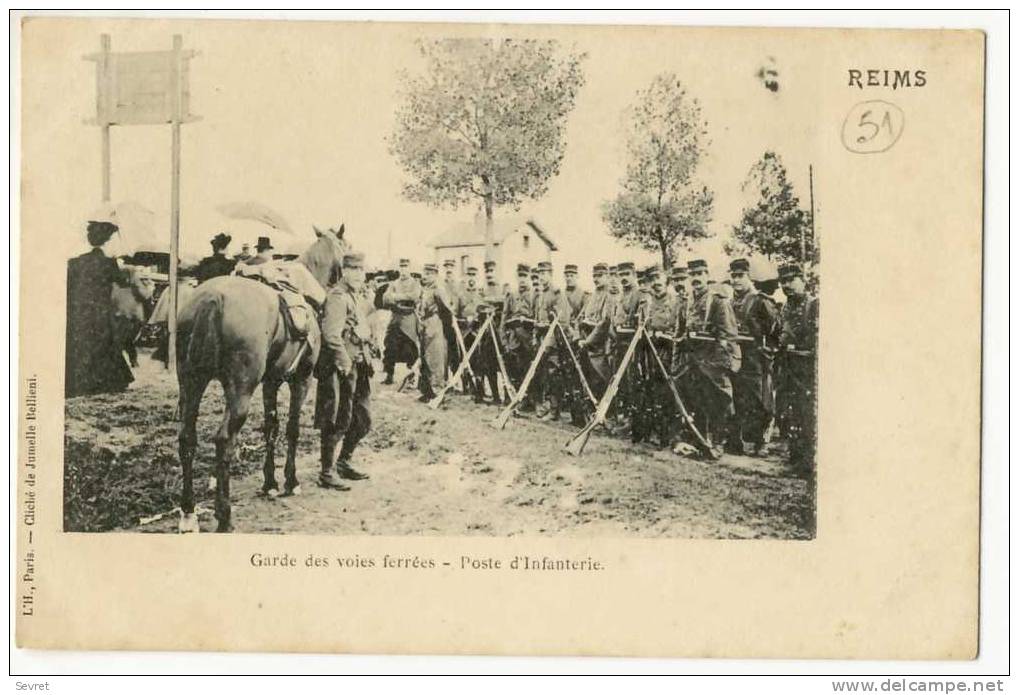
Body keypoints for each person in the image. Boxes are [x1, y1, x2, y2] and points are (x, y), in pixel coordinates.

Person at [315, 252, 374, 489]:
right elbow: (331, 335)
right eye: (354, 270)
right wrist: (344, 362)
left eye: (362, 270)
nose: (359, 275)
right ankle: (327, 472)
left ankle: (344, 462)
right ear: (344, 271)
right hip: (340, 366)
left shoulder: (355, 296)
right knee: (338, 417)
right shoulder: (338, 296)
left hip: (359, 362)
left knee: (363, 419)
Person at [673, 258, 741, 451]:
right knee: (696, 402)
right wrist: (676, 363)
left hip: (713, 363)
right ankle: (700, 439)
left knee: (718, 404)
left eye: (699, 274)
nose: (695, 278)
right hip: (691, 362)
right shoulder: (685, 302)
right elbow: (679, 334)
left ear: (707, 275)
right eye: (692, 275)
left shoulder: (718, 301)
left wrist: (720, 366)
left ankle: (719, 442)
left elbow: (728, 335)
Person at [65, 218, 134, 397]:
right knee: (103, 344)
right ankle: (104, 382)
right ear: (108, 240)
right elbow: (123, 282)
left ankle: (78, 382)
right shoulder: (108, 263)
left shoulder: (75, 262)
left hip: (77, 311)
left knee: (80, 344)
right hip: (100, 311)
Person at [728, 258, 781, 455]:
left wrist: (768, 349)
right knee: (736, 397)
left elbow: (775, 328)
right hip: (734, 356)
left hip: (755, 358)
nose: (736, 280)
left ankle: (761, 443)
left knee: (759, 399)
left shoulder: (760, 300)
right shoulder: (730, 301)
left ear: (749, 277)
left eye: (740, 276)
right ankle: (737, 442)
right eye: (733, 276)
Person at [775, 263, 818, 476]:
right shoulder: (786, 307)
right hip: (789, 369)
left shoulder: (814, 305)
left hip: (807, 370)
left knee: (806, 414)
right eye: (783, 281)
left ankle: (807, 464)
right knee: (790, 414)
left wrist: (800, 350)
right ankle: (795, 458)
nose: (787, 285)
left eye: (791, 280)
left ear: (802, 280)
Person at [532, 260, 572, 421]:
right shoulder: (540, 294)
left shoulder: (557, 293)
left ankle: (555, 410)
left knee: (553, 374)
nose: (541, 277)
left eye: (544, 273)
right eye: (539, 274)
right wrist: (536, 333)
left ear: (550, 274)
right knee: (544, 375)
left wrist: (550, 340)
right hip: (542, 339)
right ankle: (547, 405)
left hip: (554, 341)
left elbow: (563, 320)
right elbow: (537, 317)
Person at [576, 262, 614, 401]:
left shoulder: (610, 296)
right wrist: (579, 338)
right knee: (589, 379)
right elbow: (580, 318)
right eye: (594, 276)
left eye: (600, 275)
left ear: (607, 276)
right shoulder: (591, 296)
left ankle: (608, 412)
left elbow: (605, 322)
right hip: (587, 344)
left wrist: (588, 341)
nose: (596, 279)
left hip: (601, 346)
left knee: (603, 378)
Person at [416, 263, 453, 402]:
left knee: (435, 358)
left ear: (435, 275)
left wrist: (444, 327)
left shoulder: (439, 290)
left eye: (429, 273)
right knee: (424, 358)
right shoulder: (424, 289)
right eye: (424, 273)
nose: (425, 276)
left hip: (434, 324)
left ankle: (438, 392)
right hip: (424, 324)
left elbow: (447, 310)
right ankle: (427, 391)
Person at [381, 258, 421, 384]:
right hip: (395, 319)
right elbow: (385, 298)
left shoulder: (415, 283)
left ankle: (412, 376)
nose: (403, 270)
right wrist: (400, 299)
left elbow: (414, 297)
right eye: (401, 267)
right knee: (390, 347)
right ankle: (389, 375)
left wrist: (397, 297)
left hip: (408, 320)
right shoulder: (393, 284)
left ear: (410, 268)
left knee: (410, 349)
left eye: (406, 267)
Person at [501, 263, 536, 402]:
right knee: (513, 369)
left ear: (529, 277)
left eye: (525, 276)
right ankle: (514, 399)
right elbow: (504, 319)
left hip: (528, 339)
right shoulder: (511, 295)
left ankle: (531, 401)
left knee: (530, 371)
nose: (522, 279)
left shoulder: (535, 295)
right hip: (513, 340)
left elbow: (538, 318)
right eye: (520, 276)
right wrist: (503, 340)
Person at [472, 260, 505, 403]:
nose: (489, 274)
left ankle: (505, 396)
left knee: (501, 364)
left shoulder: (503, 288)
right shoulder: (482, 290)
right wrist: (489, 305)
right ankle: (486, 394)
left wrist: (491, 303)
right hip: (484, 332)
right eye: (487, 272)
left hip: (498, 332)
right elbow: (478, 306)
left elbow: (504, 304)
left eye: (492, 271)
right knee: (484, 364)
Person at [441, 259, 463, 381]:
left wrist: (454, 312)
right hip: (444, 321)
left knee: (456, 350)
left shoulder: (458, 285)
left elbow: (459, 301)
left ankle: (456, 378)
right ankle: (444, 378)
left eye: (451, 267)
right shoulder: (441, 284)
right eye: (447, 267)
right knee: (444, 351)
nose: (449, 270)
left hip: (456, 321)